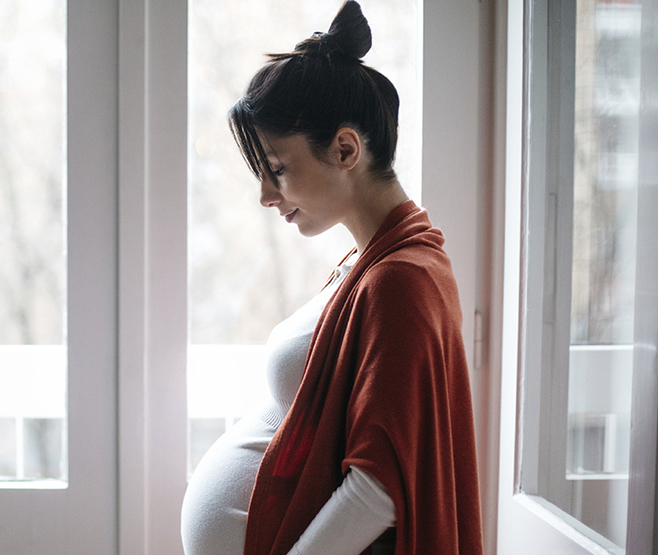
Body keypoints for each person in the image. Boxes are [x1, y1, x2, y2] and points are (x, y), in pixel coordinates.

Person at [179, 2, 484, 554]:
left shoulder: (401, 280)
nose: (267, 196)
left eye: (277, 170)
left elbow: (380, 486)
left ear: (345, 149)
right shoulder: (370, 261)